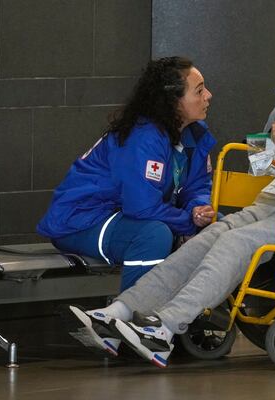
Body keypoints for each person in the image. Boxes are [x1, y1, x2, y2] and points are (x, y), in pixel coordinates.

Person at [64, 20, 275, 367]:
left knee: (236, 243)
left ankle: (165, 327)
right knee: (210, 236)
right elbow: (271, 139)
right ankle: (119, 311)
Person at [37, 57, 216, 292]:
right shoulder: (143, 137)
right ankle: (133, 316)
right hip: (81, 221)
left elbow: (198, 185)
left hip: (128, 216)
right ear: (173, 101)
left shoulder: (195, 135)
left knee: (219, 227)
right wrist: (187, 224)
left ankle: (192, 313)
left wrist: (198, 208)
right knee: (153, 235)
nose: (208, 95)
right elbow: (141, 206)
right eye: (199, 91)